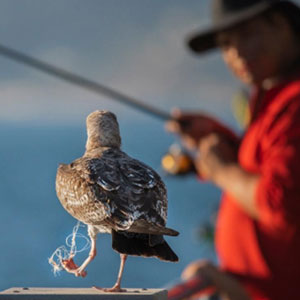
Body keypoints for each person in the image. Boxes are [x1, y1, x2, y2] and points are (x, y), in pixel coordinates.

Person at [166, 0, 300, 299]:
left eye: (247, 34)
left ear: (282, 25)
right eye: (226, 44)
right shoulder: (275, 99)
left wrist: (222, 170)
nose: (236, 52)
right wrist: (225, 141)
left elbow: (280, 204)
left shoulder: (294, 103)